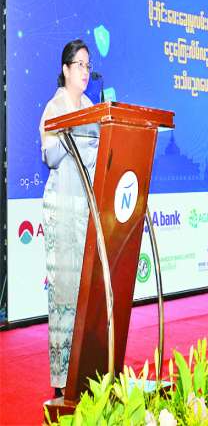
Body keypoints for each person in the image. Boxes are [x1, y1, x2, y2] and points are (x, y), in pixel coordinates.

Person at [40, 39, 100, 397]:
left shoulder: (91, 107)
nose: (85, 72)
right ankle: (62, 382)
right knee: (65, 292)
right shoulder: (55, 107)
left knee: (87, 293)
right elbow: (49, 156)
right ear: (65, 69)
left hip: (86, 210)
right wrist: (70, 130)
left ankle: (86, 371)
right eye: (80, 65)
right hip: (62, 212)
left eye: (88, 66)